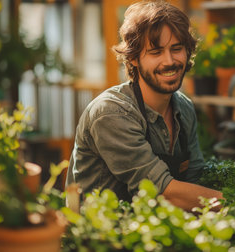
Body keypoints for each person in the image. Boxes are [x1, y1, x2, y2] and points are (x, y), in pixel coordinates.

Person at [65, 1, 223, 211]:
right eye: (156, 52)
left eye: (176, 49)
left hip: (155, 228)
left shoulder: (183, 108)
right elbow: (163, 193)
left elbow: (194, 179)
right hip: (98, 235)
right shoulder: (111, 113)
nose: (169, 61)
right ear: (134, 58)